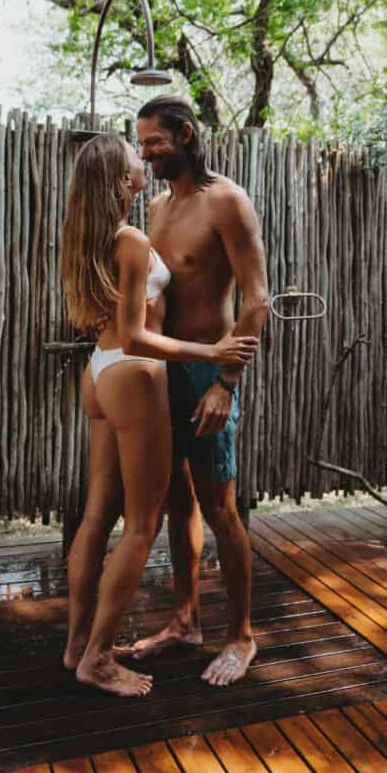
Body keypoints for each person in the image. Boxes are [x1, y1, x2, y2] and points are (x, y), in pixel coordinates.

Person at [60, 133, 259, 698]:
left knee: (97, 515)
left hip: (99, 373)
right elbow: (143, 339)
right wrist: (213, 353)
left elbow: (101, 324)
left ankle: (76, 643)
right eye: (134, 156)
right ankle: (96, 659)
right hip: (134, 376)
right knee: (142, 525)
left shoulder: (85, 239)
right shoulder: (129, 241)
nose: (142, 159)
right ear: (123, 182)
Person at [123, 96, 270, 687]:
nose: (145, 152)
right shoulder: (156, 205)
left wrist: (226, 385)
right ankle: (185, 621)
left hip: (210, 376)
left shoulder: (227, 201)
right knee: (175, 504)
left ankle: (242, 635)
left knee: (221, 508)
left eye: (154, 141)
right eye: (141, 142)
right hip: (163, 373)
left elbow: (258, 299)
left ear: (185, 135)